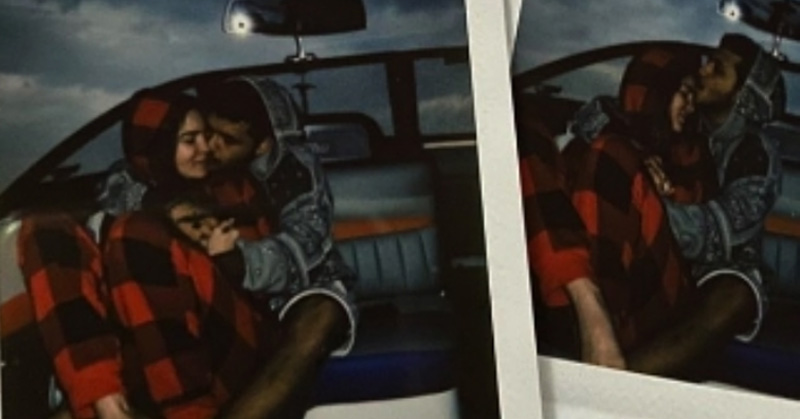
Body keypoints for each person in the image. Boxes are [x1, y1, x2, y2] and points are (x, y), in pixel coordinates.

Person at [517, 32, 783, 378]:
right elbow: (605, 122)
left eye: (717, 68)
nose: (703, 70)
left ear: (744, 96)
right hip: (629, 264)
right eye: (702, 68)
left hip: (710, 269)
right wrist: (635, 157)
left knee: (735, 296)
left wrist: (644, 194)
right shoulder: (678, 128)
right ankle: (591, 320)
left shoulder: (753, 152)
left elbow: (717, 232)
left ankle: (610, 381)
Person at [101, 76, 356, 419]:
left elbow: (300, 246)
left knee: (320, 315)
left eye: (228, 140)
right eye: (208, 133)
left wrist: (236, 259)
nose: (211, 146)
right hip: (239, 300)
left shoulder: (293, 171)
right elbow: (119, 182)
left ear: (262, 145)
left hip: (303, 287)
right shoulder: (203, 170)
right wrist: (166, 206)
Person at [17, 88, 216, 418]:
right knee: (44, 227)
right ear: (158, 147)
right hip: (142, 354)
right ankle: (103, 396)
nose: (205, 148)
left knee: (134, 235)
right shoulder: (116, 201)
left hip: (210, 346)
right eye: (190, 140)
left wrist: (225, 253)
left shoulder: (223, 190)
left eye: (206, 136)